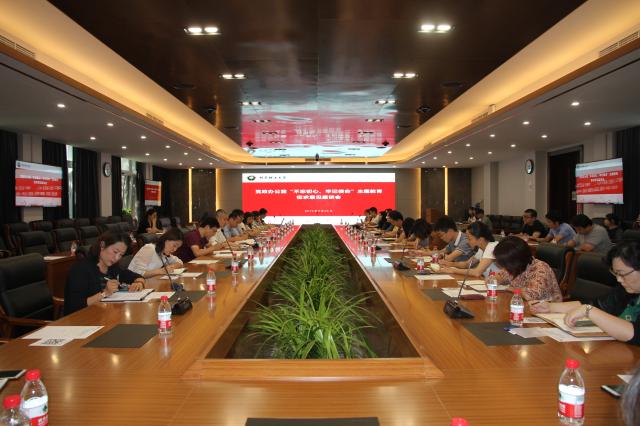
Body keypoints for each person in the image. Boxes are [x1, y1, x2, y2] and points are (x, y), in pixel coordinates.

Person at [530, 241, 640, 345]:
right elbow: (595, 304)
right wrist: (551, 307)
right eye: (616, 274)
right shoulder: (625, 291)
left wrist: (589, 311)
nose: (619, 279)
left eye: (622, 274)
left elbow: (635, 334)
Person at [64, 232, 145, 315]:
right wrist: (105, 293)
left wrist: (139, 283)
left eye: (121, 255)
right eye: (115, 252)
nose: (117, 258)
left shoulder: (112, 267)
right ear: (102, 245)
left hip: (104, 314)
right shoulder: (80, 269)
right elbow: (74, 306)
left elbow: (136, 276)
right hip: (82, 318)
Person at [492, 236, 562, 302]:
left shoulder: (540, 268)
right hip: (521, 304)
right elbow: (500, 277)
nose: (504, 267)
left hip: (546, 308)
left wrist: (510, 289)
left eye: (505, 263)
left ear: (515, 260)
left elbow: (530, 295)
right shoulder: (516, 266)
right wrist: (494, 280)